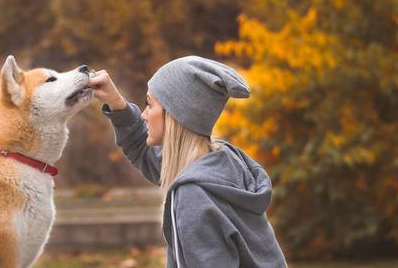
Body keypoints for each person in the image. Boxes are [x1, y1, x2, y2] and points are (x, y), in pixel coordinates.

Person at [88, 56, 287, 267]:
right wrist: (117, 104)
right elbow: (144, 152)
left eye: (149, 104)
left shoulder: (194, 195)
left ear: (174, 116)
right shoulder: (222, 162)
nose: (145, 115)